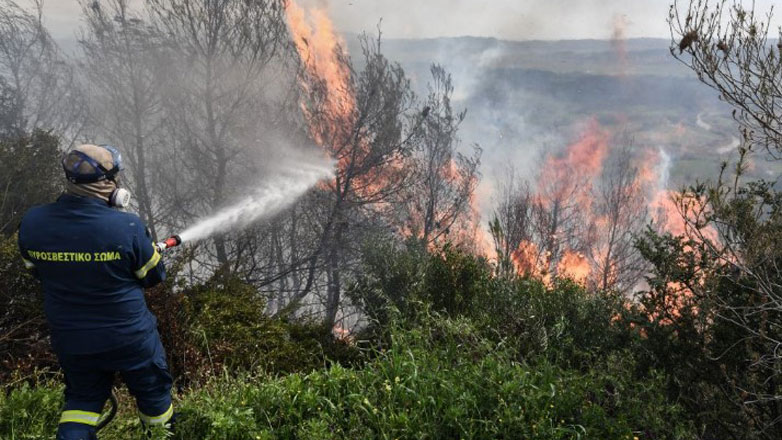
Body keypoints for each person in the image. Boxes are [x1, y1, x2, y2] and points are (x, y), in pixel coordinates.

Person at [17, 144, 173, 440]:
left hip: (72, 338)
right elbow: (152, 276)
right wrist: (142, 250)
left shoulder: (33, 222)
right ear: (108, 182)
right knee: (153, 394)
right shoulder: (127, 226)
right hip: (130, 337)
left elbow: (36, 271)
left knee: (82, 400)